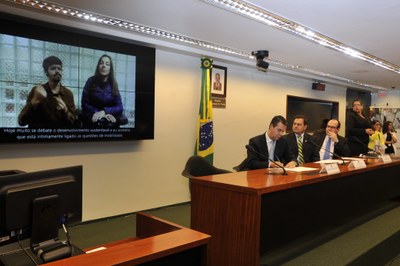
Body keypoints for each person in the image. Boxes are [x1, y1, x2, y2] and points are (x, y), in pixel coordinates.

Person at [18, 56, 76, 128]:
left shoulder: (68, 94)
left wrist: (65, 110)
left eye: (59, 68)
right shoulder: (36, 90)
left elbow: (73, 123)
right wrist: (33, 102)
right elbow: (21, 121)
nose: (57, 71)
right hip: (39, 137)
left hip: (59, 138)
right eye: (53, 68)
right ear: (46, 72)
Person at [81, 54, 125, 127]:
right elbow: (84, 104)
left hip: (109, 117)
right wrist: (98, 113)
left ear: (110, 69)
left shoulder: (113, 83)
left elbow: (119, 107)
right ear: (98, 66)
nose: (103, 66)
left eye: (107, 64)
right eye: (101, 63)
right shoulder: (90, 81)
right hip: (93, 117)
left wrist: (105, 112)